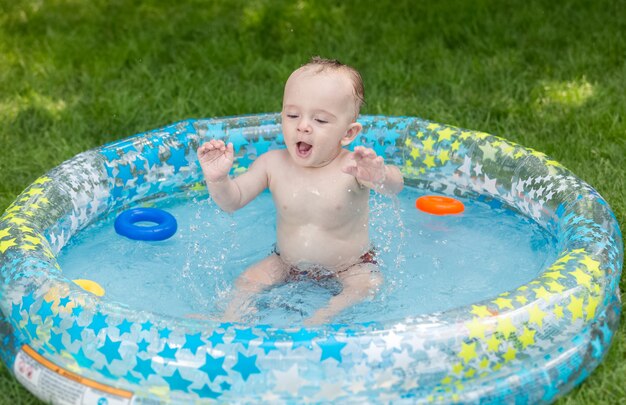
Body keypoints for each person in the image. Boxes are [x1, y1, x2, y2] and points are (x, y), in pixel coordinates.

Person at [197, 57, 404, 325]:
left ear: (348, 133)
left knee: (368, 285)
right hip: (287, 263)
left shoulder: (353, 167)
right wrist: (217, 179)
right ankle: (227, 322)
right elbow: (232, 201)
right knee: (247, 282)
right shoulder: (272, 164)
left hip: (350, 265)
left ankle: (317, 322)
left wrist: (380, 175)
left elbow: (395, 185)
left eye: (319, 119)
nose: (303, 125)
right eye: (292, 115)